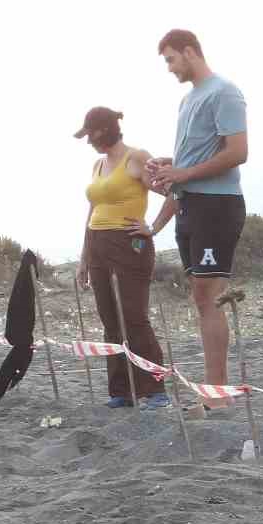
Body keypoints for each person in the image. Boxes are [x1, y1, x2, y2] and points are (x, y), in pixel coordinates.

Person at [142, 29, 249, 405]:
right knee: (201, 299)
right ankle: (214, 389)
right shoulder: (188, 100)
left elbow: (238, 152)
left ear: (190, 52)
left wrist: (182, 173)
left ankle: (218, 392)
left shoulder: (225, 92)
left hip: (217, 206)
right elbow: (192, 160)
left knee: (210, 296)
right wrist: (169, 165)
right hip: (189, 205)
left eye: (171, 59)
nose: (169, 68)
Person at [73, 107, 171, 409]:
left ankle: (155, 390)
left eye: (91, 134)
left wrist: (152, 227)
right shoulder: (97, 165)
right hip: (98, 243)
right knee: (110, 320)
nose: (89, 141)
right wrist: (84, 256)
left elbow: (174, 190)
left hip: (129, 244)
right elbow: (93, 211)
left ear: (104, 130)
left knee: (134, 317)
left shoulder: (137, 157)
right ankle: (122, 391)